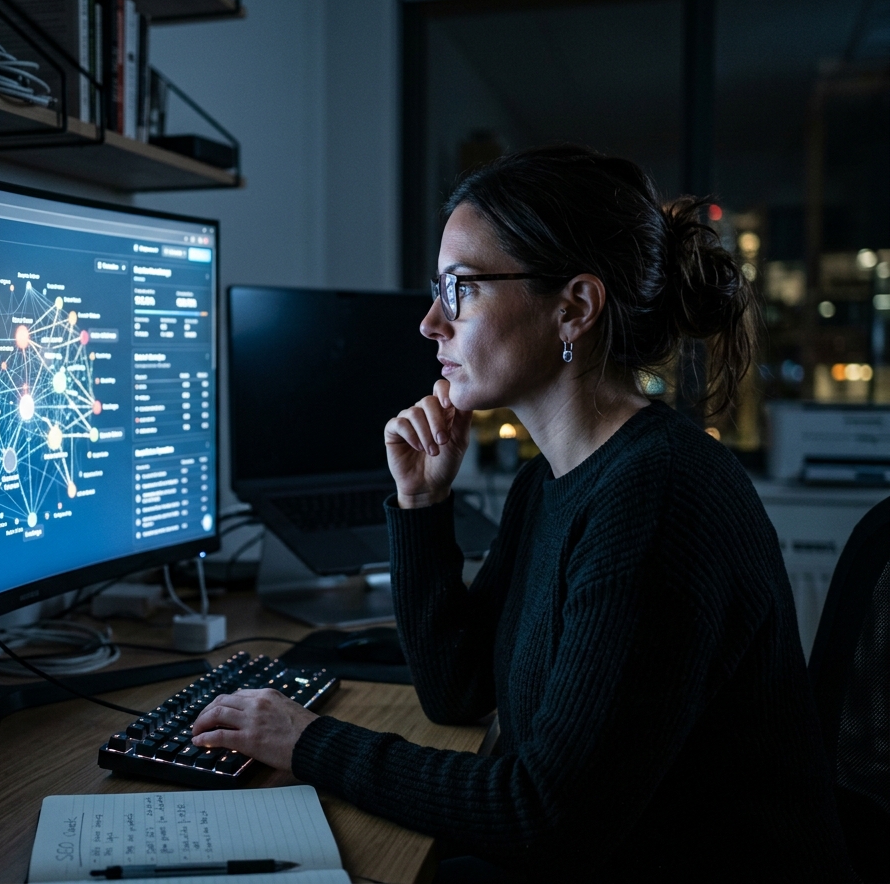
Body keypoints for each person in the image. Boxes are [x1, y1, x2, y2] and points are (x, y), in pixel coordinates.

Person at [192, 145, 853, 881]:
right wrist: (422, 503)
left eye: (461, 288)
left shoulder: (659, 496)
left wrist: (307, 741)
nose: (430, 322)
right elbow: (457, 690)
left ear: (574, 308)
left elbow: (542, 817)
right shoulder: (547, 482)